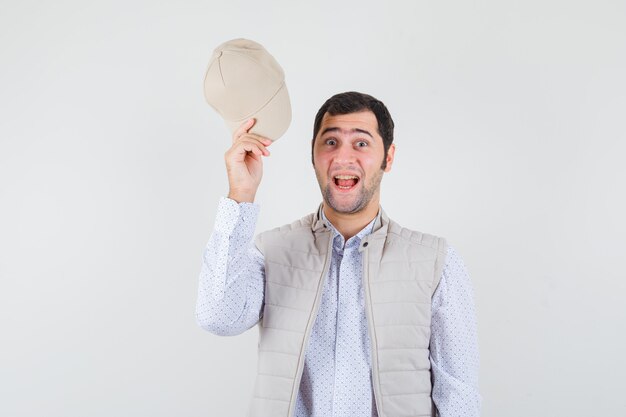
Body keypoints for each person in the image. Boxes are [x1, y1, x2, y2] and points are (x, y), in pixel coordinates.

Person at [196, 91, 481, 417]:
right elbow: (218, 318)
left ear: (388, 158)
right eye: (330, 142)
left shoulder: (436, 262)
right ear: (313, 155)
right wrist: (241, 195)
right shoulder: (271, 251)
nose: (343, 157)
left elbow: (459, 396)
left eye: (361, 143)